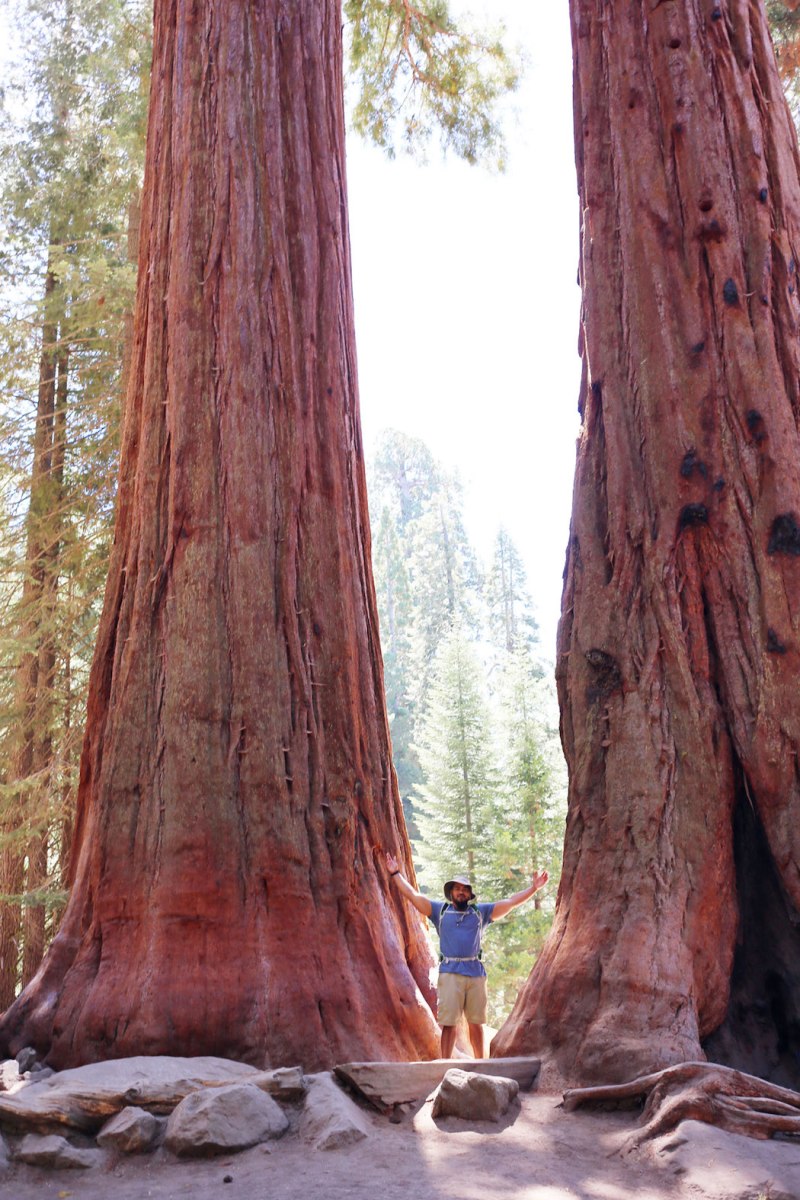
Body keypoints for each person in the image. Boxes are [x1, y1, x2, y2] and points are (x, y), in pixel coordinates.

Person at [385, 851, 548, 1059]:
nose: (461, 892)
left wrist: (534, 888)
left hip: (475, 974)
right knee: (449, 1023)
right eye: (457, 889)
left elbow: (511, 902)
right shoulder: (439, 911)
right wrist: (396, 873)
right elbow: (414, 897)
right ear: (451, 893)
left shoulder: (481, 913)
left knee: (477, 1024)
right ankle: (445, 1065)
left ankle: (482, 1065)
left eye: (464, 889)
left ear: (470, 895)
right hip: (449, 973)